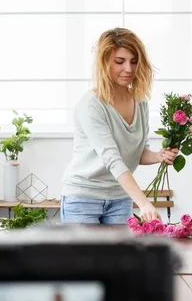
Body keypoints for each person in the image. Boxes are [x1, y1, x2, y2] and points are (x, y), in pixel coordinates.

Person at [61, 27, 178, 225]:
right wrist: (144, 203)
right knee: (85, 258)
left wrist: (159, 156)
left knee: (120, 257)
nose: (129, 69)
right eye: (119, 62)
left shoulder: (140, 102)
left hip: (120, 197)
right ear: (105, 62)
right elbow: (113, 159)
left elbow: (137, 151)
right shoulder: (92, 105)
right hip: (83, 199)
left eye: (133, 61)